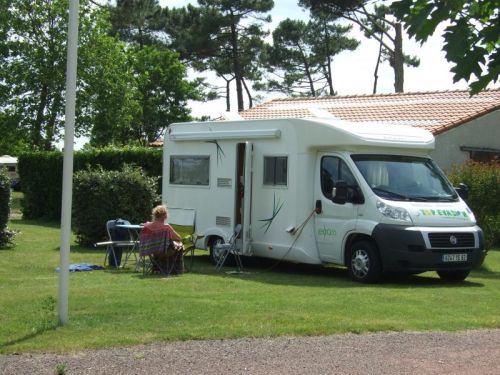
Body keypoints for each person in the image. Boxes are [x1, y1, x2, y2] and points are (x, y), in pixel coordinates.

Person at [140, 205, 184, 274]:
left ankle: (157, 268)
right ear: (165, 215)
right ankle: (175, 269)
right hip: (164, 250)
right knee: (179, 246)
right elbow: (178, 238)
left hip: (152, 249)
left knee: (161, 247)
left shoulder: (147, 226)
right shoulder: (166, 227)